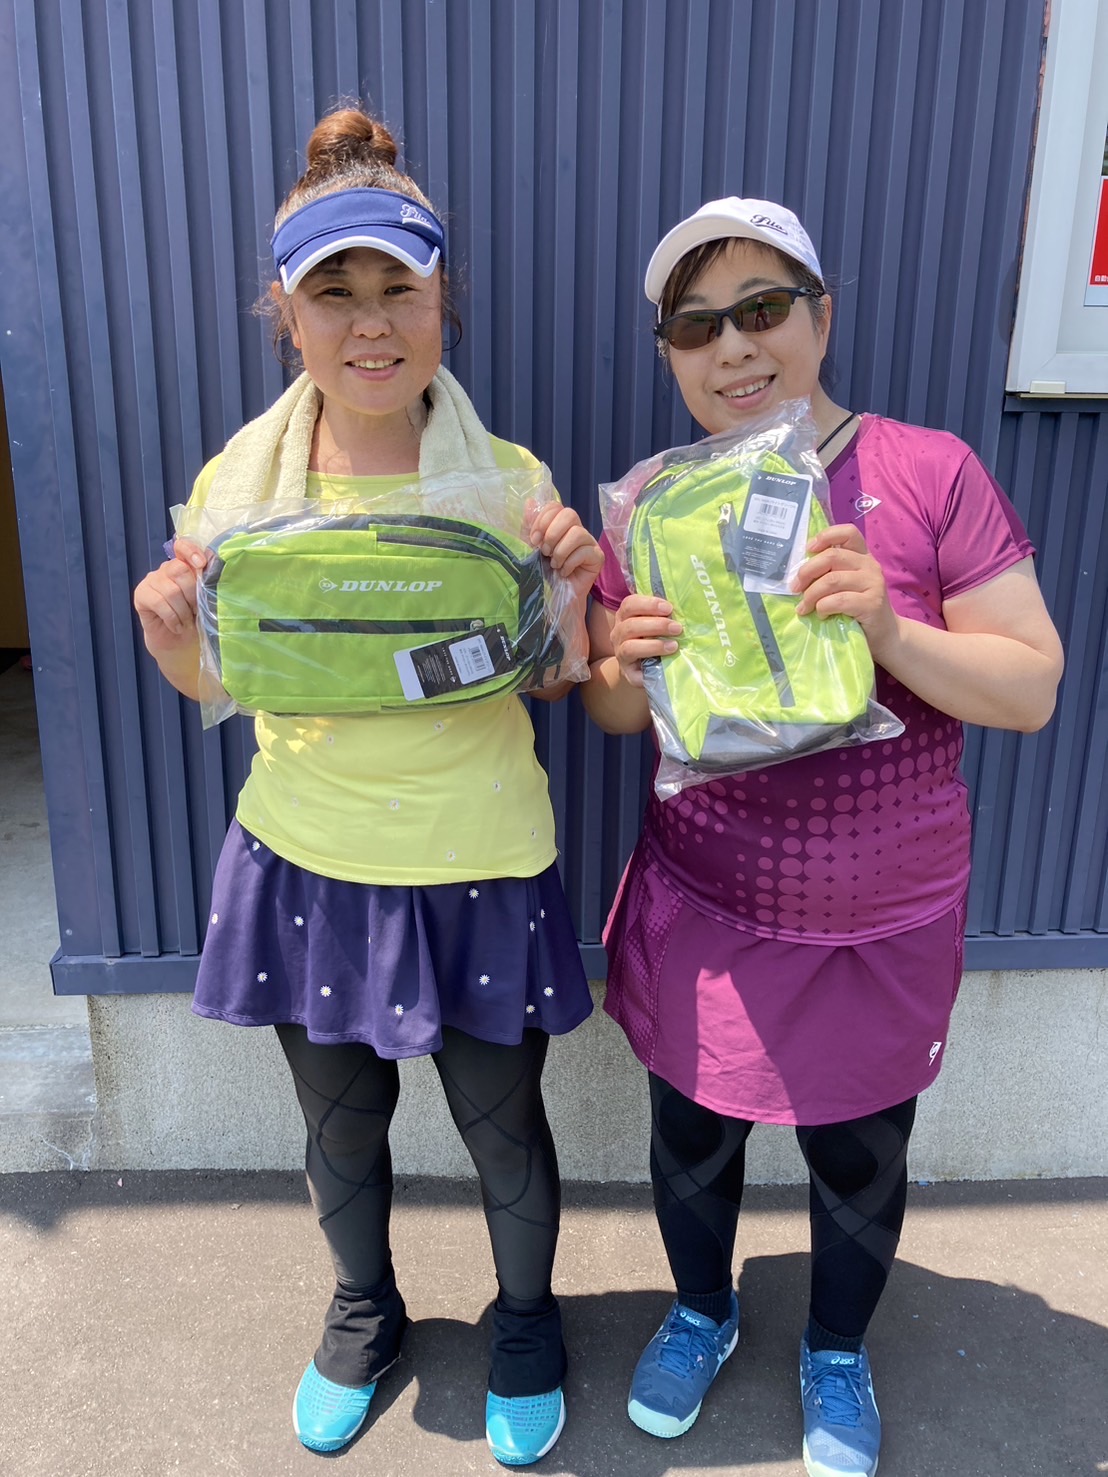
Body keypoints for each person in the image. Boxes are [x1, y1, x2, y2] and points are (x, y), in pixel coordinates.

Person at [133, 106, 602, 1467]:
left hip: (477, 855)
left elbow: (553, 679)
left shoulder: (508, 485)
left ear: (443, 300)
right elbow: (219, 682)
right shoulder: (237, 487)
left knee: (501, 1127)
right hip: (308, 854)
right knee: (339, 1126)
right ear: (286, 314)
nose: (372, 323)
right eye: (333, 292)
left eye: (399, 287)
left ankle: (527, 1323)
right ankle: (364, 1309)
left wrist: (570, 593)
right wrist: (169, 631)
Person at [582, 197, 1063, 1477]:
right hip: (708, 905)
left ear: (820, 316)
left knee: (859, 1149)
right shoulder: (658, 504)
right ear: (672, 355)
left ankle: (837, 1348)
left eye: (761, 308)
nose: (733, 347)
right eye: (696, 326)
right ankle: (703, 1310)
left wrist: (892, 632)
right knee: (692, 1135)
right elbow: (621, 711)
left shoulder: (927, 471)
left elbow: (1030, 685)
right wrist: (621, 660)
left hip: (880, 914)